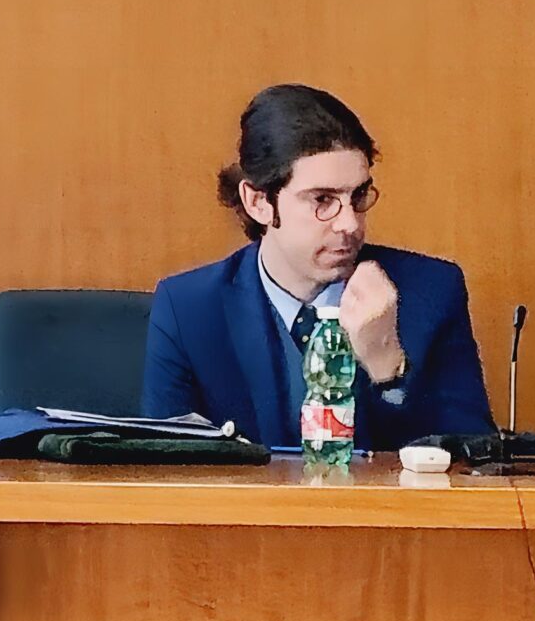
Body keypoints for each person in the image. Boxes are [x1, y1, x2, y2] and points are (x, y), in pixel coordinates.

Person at [142, 83, 492, 450]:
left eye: (358, 196)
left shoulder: (432, 292)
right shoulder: (188, 309)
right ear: (258, 202)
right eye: (322, 200)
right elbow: (166, 466)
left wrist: (388, 371)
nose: (350, 224)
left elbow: (471, 458)